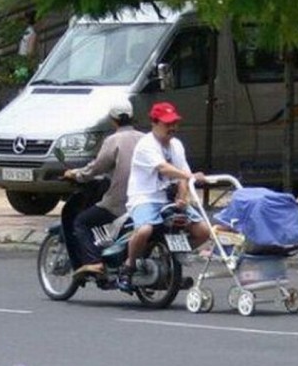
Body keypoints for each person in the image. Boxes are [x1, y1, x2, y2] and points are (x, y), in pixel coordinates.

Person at [118, 101, 210, 291]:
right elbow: (164, 168)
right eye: (167, 124)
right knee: (144, 231)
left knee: (203, 231)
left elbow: (181, 172)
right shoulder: (146, 145)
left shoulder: (176, 145)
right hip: (145, 198)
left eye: (174, 123)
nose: (172, 128)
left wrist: (182, 197)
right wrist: (191, 177)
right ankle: (129, 266)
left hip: (167, 200)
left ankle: (170, 260)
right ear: (154, 123)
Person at [62, 98, 144, 276]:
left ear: (112, 119)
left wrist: (75, 174)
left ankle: (94, 262)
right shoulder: (144, 139)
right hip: (142, 200)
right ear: (132, 117)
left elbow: (95, 168)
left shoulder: (113, 140)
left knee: (81, 222)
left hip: (119, 203)